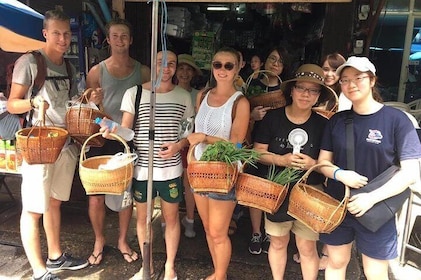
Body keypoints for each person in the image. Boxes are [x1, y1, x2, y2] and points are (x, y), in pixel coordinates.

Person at [317, 56, 421, 280]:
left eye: (358, 78)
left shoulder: (398, 120)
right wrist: (339, 173)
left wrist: (371, 198)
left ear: (372, 81)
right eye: (345, 80)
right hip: (338, 206)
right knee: (336, 262)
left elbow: (410, 173)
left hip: (377, 210)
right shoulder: (337, 120)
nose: (351, 84)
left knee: (375, 272)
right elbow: (322, 162)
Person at [7, 9, 88, 280]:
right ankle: (39, 271)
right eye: (57, 33)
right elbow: (12, 103)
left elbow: (71, 104)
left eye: (66, 34)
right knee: (32, 209)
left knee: (54, 203)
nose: (63, 39)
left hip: (64, 146)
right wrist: (32, 102)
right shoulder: (30, 62)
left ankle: (55, 257)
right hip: (38, 149)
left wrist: (88, 97)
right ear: (45, 33)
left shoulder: (68, 66)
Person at [114, 50, 194, 280]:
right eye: (161, 63)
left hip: (171, 169)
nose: (167, 68)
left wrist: (178, 147)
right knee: (143, 219)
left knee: (171, 219)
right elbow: (127, 132)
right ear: (153, 65)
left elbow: (188, 134)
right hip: (142, 170)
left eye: (172, 64)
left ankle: (169, 266)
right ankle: (146, 266)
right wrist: (111, 130)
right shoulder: (135, 93)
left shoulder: (183, 97)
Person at [251, 64, 335, 280]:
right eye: (301, 88)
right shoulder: (273, 118)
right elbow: (257, 152)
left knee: (307, 247)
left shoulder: (324, 125)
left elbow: (328, 163)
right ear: (291, 90)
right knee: (278, 242)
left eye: (313, 90)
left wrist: (312, 164)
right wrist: (281, 159)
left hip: (310, 193)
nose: (306, 94)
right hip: (276, 191)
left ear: (318, 96)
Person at [85, 18, 151, 266]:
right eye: (115, 36)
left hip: (126, 140)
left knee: (125, 195)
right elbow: (88, 109)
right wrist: (96, 101)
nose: (120, 40)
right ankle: (99, 240)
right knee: (96, 197)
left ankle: (123, 240)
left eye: (124, 36)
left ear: (131, 40)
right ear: (108, 40)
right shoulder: (97, 71)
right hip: (101, 141)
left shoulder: (143, 72)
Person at [187, 46, 250, 280]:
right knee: (207, 229)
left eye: (228, 65)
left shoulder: (240, 102)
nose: (222, 70)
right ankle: (217, 271)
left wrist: (205, 138)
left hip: (224, 173)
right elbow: (195, 130)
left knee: (218, 232)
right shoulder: (202, 96)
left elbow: (236, 145)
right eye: (217, 65)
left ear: (237, 68)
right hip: (200, 169)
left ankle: (221, 275)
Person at [247, 46, 291, 255]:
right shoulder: (251, 86)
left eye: (280, 61)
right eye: (272, 59)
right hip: (253, 143)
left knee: (272, 189)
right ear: (264, 62)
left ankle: (269, 231)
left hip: (278, 146)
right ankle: (256, 232)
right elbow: (237, 114)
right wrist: (251, 115)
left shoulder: (286, 91)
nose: (275, 64)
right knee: (255, 188)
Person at [175, 54, 202, 238]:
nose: (184, 73)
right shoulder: (167, 91)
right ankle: (169, 222)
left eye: (188, 69)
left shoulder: (198, 95)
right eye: (181, 68)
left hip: (190, 143)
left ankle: (190, 221)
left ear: (193, 73)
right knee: (171, 183)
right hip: (170, 142)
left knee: (188, 183)